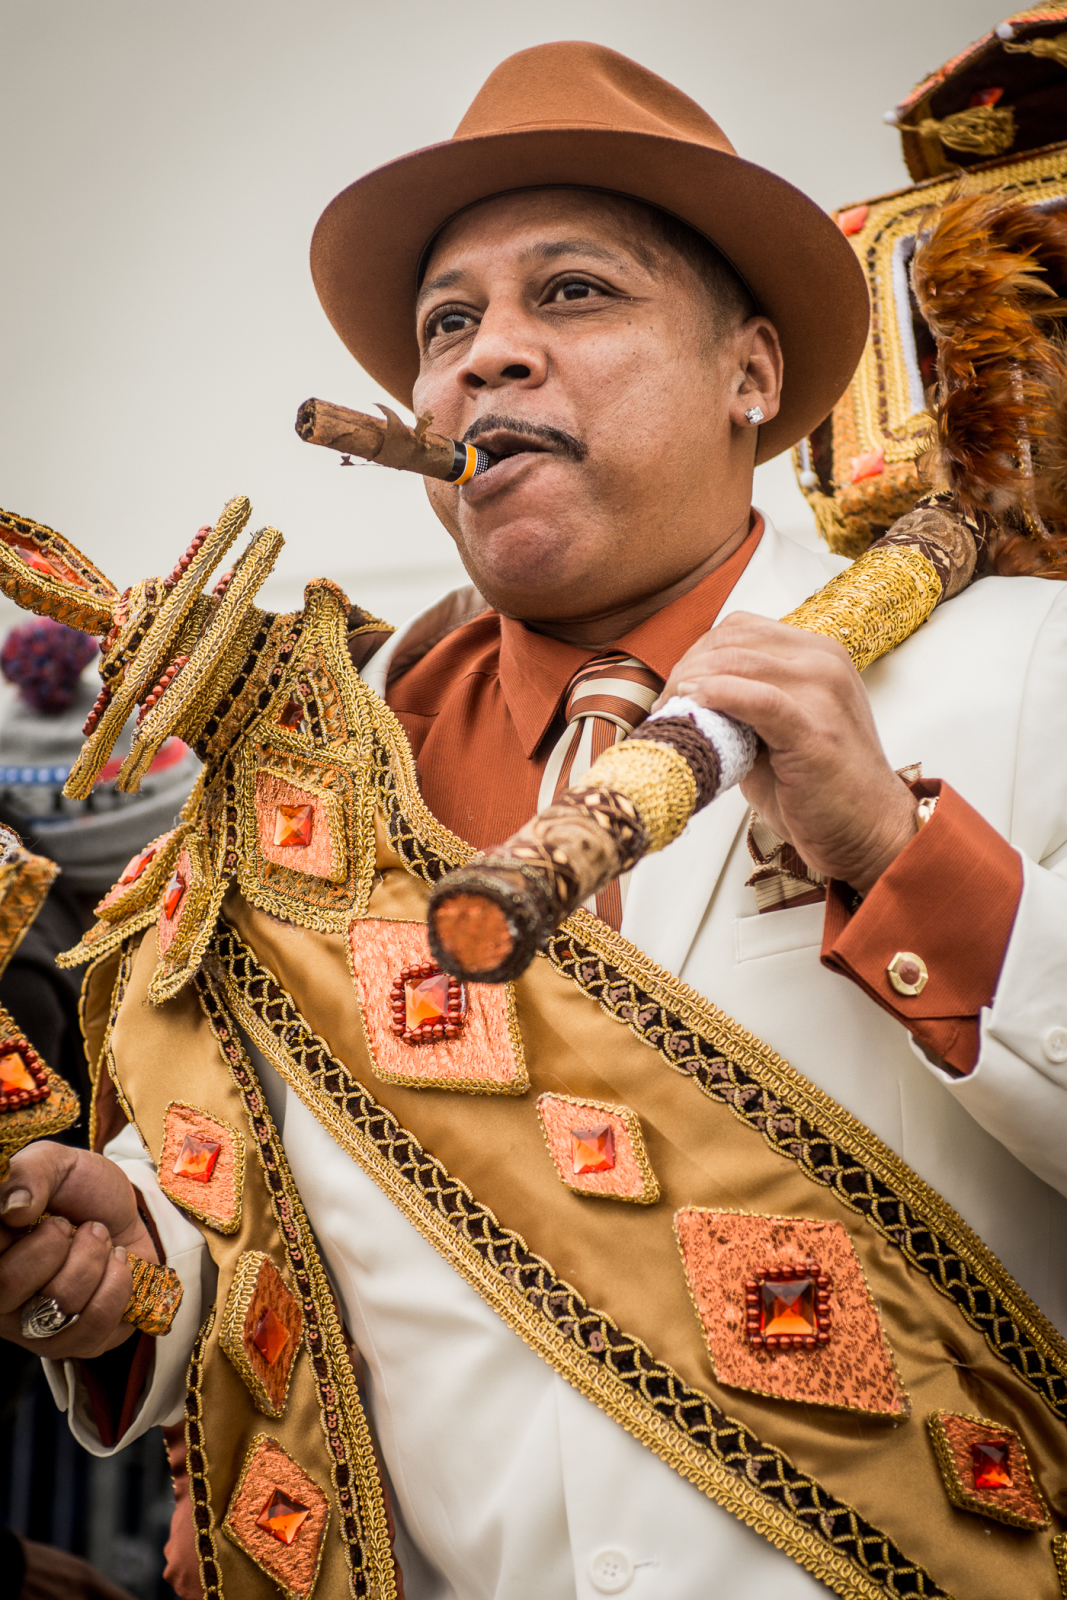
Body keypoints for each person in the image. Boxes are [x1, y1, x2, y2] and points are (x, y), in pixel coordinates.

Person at [1, 39, 1066, 1600]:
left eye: (573, 293)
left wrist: (902, 864)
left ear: (751, 374)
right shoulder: (293, 797)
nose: (486, 358)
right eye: (450, 325)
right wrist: (134, 1258)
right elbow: (281, 1237)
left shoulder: (1021, 670)